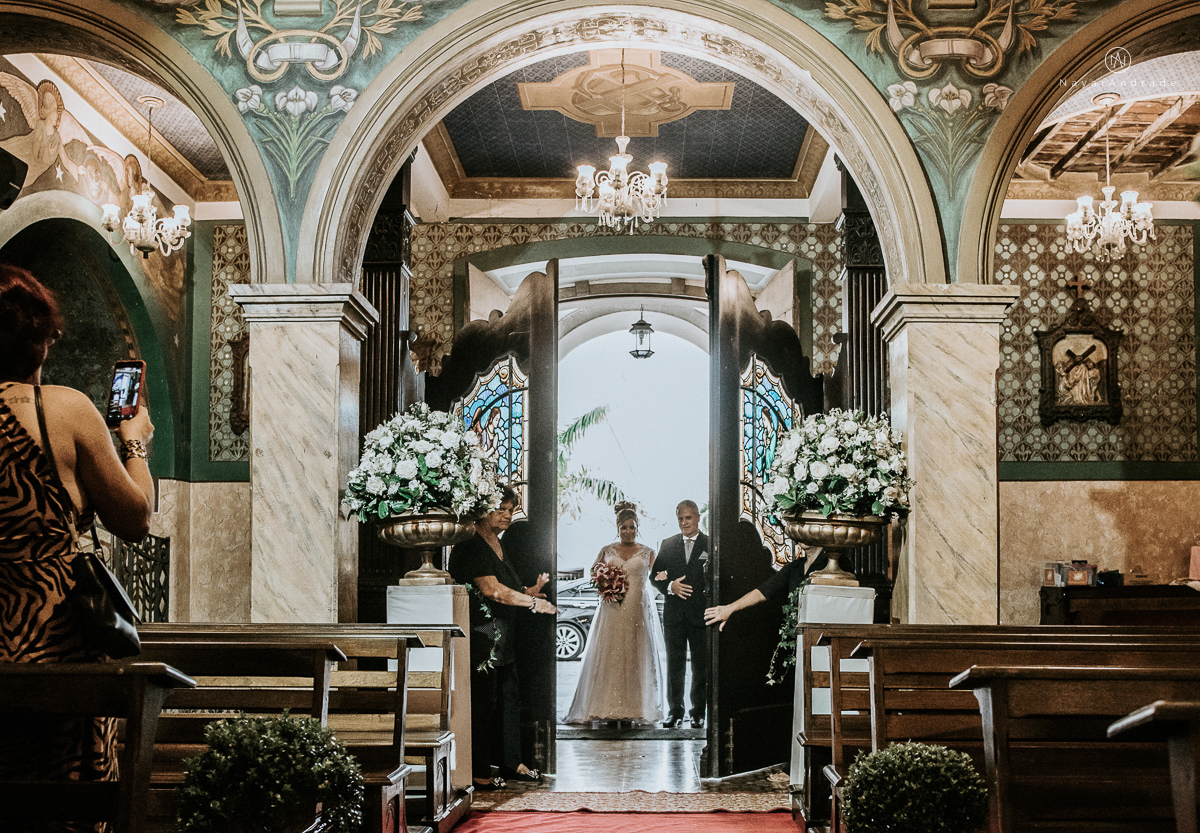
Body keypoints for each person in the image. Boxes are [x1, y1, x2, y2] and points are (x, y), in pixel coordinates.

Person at [0, 265, 155, 831]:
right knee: (61, 804)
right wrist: (135, 440)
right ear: (40, 339)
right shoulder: (63, 410)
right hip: (52, 646)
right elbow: (135, 518)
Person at [448, 486, 556, 791]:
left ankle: (512, 762)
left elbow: (508, 587)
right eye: (502, 509)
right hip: (481, 638)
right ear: (483, 510)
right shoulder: (470, 544)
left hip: (502, 638)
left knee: (509, 700)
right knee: (483, 704)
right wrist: (534, 604)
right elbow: (492, 590)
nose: (508, 515)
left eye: (511, 510)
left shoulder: (497, 542)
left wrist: (529, 592)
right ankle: (479, 770)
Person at [564, 501, 666, 725]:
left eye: (632, 527)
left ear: (637, 527)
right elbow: (594, 574)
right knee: (610, 654)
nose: (628, 532)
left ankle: (635, 708)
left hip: (637, 609)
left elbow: (660, 578)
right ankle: (605, 706)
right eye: (623, 528)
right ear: (617, 528)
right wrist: (605, 582)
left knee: (635, 654)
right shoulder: (606, 550)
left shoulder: (648, 552)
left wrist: (669, 582)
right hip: (612, 608)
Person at [650, 499, 710, 729]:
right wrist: (670, 586)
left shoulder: (709, 543)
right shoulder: (668, 544)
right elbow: (655, 577)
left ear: (697, 518)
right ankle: (674, 712)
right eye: (680, 519)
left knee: (700, 667)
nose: (684, 523)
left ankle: (697, 713)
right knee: (674, 665)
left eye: (688, 518)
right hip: (674, 616)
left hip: (700, 615)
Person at [703, 546, 827, 631]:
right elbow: (765, 590)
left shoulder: (832, 564)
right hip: (797, 634)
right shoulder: (796, 566)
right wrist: (729, 609)